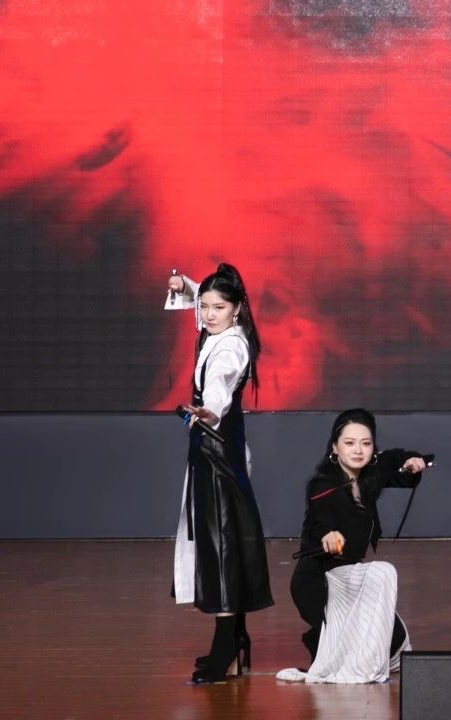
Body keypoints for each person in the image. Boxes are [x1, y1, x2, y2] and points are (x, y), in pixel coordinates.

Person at [166, 263, 274, 684]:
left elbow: (219, 381)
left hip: (218, 455)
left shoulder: (230, 348)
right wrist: (186, 286)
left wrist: (210, 409)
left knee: (222, 546)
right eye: (205, 306)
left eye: (218, 307)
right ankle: (237, 641)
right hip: (215, 450)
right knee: (223, 541)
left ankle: (227, 645)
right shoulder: (222, 328)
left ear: (237, 309)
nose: (208, 314)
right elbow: (203, 297)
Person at [279, 408, 433, 683]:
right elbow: (321, 518)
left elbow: (398, 460)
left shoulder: (371, 472)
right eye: (349, 443)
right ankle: (322, 638)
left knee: (395, 644)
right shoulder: (323, 485)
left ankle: (324, 639)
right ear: (335, 447)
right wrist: (329, 535)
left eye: (366, 443)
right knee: (382, 572)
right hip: (318, 582)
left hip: (350, 579)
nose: (358, 450)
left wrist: (413, 460)